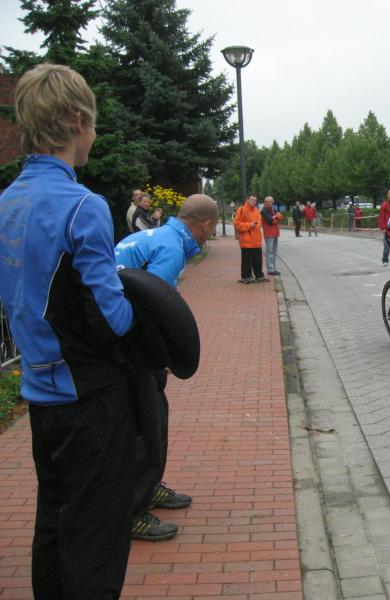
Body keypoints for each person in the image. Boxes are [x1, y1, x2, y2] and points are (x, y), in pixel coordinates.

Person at [0, 63, 138, 599]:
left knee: (54, 522)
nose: (94, 136)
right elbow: (111, 318)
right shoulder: (83, 206)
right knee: (96, 537)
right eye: (94, 125)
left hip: (39, 392)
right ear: (78, 121)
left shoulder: (6, 201)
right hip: (90, 397)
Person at [114, 195, 218, 541]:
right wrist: (164, 357)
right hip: (132, 349)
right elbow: (152, 307)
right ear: (205, 224)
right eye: (213, 227)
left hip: (126, 343)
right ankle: (132, 510)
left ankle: (149, 485)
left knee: (155, 416)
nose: (211, 234)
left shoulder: (160, 237)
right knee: (148, 423)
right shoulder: (171, 248)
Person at [234, 194, 266, 283]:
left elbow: (260, 223)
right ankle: (246, 276)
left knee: (258, 260)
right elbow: (237, 224)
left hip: (257, 240)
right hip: (246, 241)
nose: (254, 202)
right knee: (247, 261)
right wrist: (249, 225)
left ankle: (259, 275)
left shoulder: (257, 210)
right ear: (247, 200)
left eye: (255, 200)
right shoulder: (241, 210)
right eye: (252, 200)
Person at [260, 195, 283, 276]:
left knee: (274, 252)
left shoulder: (274, 209)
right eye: (268, 201)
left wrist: (275, 218)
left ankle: (274, 268)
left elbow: (280, 218)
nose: (270, 203)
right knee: (270, 252)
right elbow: (270, 221)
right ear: (265, 202)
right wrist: (276, 217)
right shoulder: (263, 211)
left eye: (271, 201)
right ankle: (270, 269)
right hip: (269, 234)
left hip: (275, 233)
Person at [378, 188, 390, 265]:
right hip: (387, 229)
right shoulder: (384, 205)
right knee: (387, 246)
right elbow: (381, 217)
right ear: (387, 195)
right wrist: (382, 227)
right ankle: (385, 260)